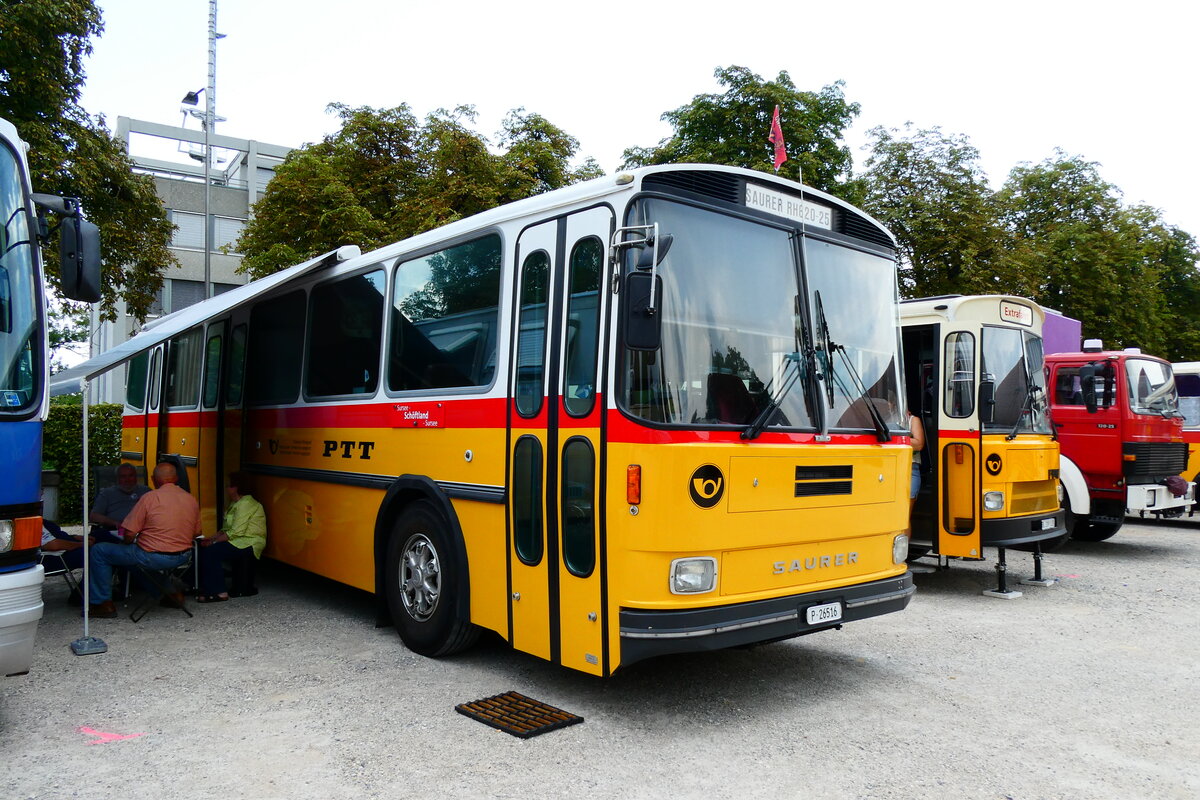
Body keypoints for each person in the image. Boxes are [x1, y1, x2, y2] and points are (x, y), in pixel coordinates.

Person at [86, 461, 201, 619]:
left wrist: (128, 542)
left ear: (154, 479)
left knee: (99, 550)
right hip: (183, 556)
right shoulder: (191, 498)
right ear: (176, 478)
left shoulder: (149, 497)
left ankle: (102, 604)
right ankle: (169, 594)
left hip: (151, 556)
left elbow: (129, 533)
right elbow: (197, 532)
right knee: (135, 560)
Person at [196, 472, 266, 603]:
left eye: (228, 485)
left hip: (249, 542)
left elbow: (235, 532)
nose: (226, 488)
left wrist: (213, 542)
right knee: (203, 549)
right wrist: (211, 538)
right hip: (238, 540)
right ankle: (205, 586)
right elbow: (225, 529)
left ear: (235, 488)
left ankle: (219, 592)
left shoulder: (246, 504)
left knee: (212, 552)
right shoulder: (235, 503)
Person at [89, 463, 151, 544]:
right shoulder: (107, 493)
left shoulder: (146, 491)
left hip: (142, 531)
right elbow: (94, 516)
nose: (127, 479)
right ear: (117, 479)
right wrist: (115, 523)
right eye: (123, 476)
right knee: (97, 537)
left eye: (131, 475)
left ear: (136, 477)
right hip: (118, 530)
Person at [908, 409, 926, 505]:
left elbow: (919, 444)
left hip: (910, 468)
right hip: (886, 469)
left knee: (906, 512)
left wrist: (891, 438)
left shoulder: (912, 419)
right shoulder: (881, 420)